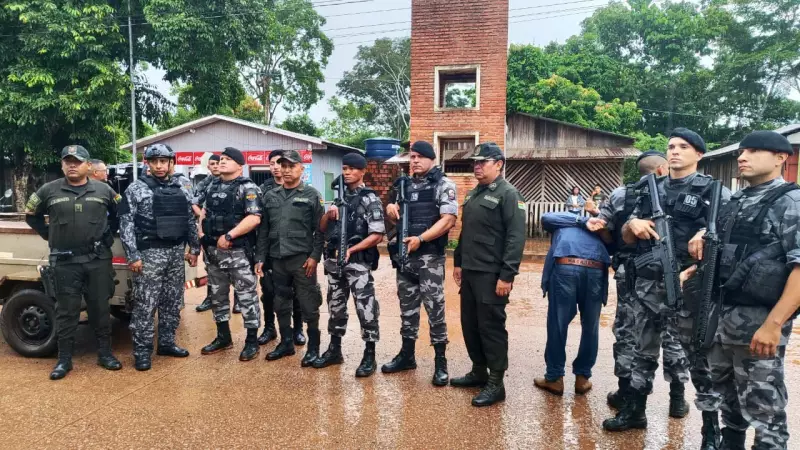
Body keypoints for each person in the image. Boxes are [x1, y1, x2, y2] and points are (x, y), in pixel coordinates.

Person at [604, 129, 731, 449]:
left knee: (700, 359)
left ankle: (710, 431)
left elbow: (728, 239)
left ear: (699, 154)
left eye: (683, 147)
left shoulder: (713, 192)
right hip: (647, 285)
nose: (674, 151)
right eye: (671, 146)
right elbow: (627, 234)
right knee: (639, 351)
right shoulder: (649, 190)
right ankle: (634, 411)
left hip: (691, 285)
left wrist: (706, 235)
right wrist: (631, 225)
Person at [684, 131, 800, 450]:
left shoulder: (791, 202)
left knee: (765, 405)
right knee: (728, 396)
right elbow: (725, 251)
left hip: (758, 321)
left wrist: (773, 325)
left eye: (753, 151)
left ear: (780, 158)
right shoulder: (736, 199)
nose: (742, 157)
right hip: (722, 316)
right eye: (741, 152)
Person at [587, 151, 690, 413]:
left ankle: (625, 392)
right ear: (661, 169)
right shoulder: (680, 192)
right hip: (674, 272)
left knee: (628, 331)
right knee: (673, 333)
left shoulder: (621, 194)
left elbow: (604, 233)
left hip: (630, 273)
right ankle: (677, 399)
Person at [24, 145, 123, 380]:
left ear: (88, 166)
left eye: (77, 161)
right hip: (65, 261)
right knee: (66, 311)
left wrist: (109, 235)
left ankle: (105, 354)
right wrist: (49, 234)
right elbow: (31, 214)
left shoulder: (104, 190)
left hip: (98, 260)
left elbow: (121, 213)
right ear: (62, 165)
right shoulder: (49, 190)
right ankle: (64, 360)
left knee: (100, 308)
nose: (72, 165)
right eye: (67, 161)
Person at [451, 142, 526, 407]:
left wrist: (507, 275)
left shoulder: (509, 194)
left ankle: (496, 382)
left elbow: (516, 238)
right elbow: (466, 232)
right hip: (471, 273)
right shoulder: (474, 195)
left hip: (492, 274)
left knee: (491, 327)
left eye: (483, 162)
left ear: (499, 164)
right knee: (470, 325)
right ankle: (478, 371)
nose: (477, 166)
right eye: (475, 162)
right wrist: (458, 261)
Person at [118, 144, 200, 371]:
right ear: (148, 163)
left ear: (171, 162)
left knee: (172, 301)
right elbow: (126, 224)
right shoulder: (136, 189)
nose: (159, 166)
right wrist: (133, 256)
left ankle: (166, 343)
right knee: (145, 304)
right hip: (150, 253)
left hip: (175, 252)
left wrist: (194, 248)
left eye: (163, 161)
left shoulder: (183, 186)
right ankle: (142, 351)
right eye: (154, 161)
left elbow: (190, 220)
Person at [383, 140, 457, 386]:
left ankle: (440, 362)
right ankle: (407, 356)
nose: (414, 161)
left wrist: (421, 238)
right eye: (411, 157)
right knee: (407, 309)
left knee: (435, 309)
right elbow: (391, 212)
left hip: (429, 258)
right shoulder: (402, 185)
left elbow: (448, 220)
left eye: (419, 157)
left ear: (431, 159)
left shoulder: (443, 184)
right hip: (405, 257)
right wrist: (390, 208)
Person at [315, 153, 384, 377]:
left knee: (366, 309)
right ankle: (335, 350)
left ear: (362, 171)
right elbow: (323, 228)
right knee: (335, 308)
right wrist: (329, 214)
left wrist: (352, 250)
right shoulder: (338, 198)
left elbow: (377, 234)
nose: (347, 172)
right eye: (344, 168)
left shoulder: (369, 199)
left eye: (352, 169)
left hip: (358, 264)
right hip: (335, 264)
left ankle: (369, 355)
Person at [255, 150, 325, 366]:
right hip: (277, 260)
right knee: (280, 302)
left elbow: (320, 230)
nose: (285, 170)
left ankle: (313, 348)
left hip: (301, 260)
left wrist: (315, 256)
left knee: (308, 303)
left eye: (290, 166)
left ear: (301, 169)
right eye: (282, 166)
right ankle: (286, 343)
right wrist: (260, 257)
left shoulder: (312, 195)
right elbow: (264, 230)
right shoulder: (270, 195)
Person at [533, 211, 610, 396]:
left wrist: (583, 221)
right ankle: (582, 378)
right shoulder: (595, 224)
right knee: (591, 327)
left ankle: (554, 378)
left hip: (566, 267)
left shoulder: (564, 223)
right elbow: (546, 218)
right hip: (595, 269)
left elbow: (546, 218)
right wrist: (585, 221)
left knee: (558, 324)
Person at [198, 147, 262, 362]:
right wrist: (200, 233)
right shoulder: (212, 186)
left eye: (228, 159)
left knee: (246, 297)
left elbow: (254, 218)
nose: (223, 162)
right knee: (217, 296)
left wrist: (229, 235)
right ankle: (223, 336)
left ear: (240, 165)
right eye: (222, 159)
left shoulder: (248, 187)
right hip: (213, 252)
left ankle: (252, 341)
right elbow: (204, 213)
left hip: (238, 252)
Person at [256, 149, 306, 347]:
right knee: (268, 292)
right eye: (273, 163)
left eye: (281, 163)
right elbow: (261, 225)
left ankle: (298, 329)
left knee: (296, 292)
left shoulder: (303, 190)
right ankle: (269, 327)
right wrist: (259, 255)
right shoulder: (263, 190)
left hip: (293, 252)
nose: (277, 167)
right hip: (271, 250)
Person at [194, 154, 220, 313]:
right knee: (211, 267)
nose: (216, 166)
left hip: (231, 232)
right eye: (213, 164)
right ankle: (210, 298)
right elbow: (194, 203)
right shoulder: (204, 183)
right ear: (208, 166)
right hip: (210, 232)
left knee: (237, 269)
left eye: (219, 163)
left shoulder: (234, 181)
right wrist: (204, 217)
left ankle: (238, 301)